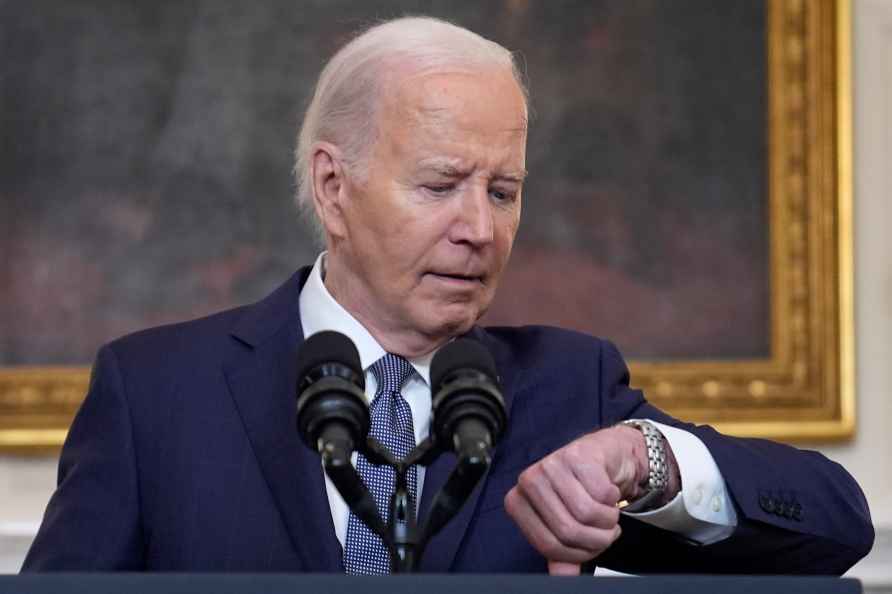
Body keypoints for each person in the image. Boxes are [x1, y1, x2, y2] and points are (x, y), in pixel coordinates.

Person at [23, 16, 872, 574]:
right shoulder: (157, 393)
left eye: (504, 192)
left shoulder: (566, 389)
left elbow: (835, 527)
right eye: (441, 184)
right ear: (333, 188)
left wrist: (642, 460)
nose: (482, 229)